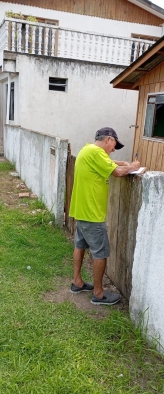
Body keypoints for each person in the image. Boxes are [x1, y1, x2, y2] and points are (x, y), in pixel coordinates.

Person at [69, 127, 140, 305]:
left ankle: (77, 282)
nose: (114, 149)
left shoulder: (87, 150)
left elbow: (112, 163)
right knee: (100, 253)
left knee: (80, 245)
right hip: (93, 215)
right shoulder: (96, 153)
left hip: (81, 210)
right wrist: (133, 167)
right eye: (115, 144)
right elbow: (117, 172)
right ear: (108, 139)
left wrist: (125, 162)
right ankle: (99, 294)